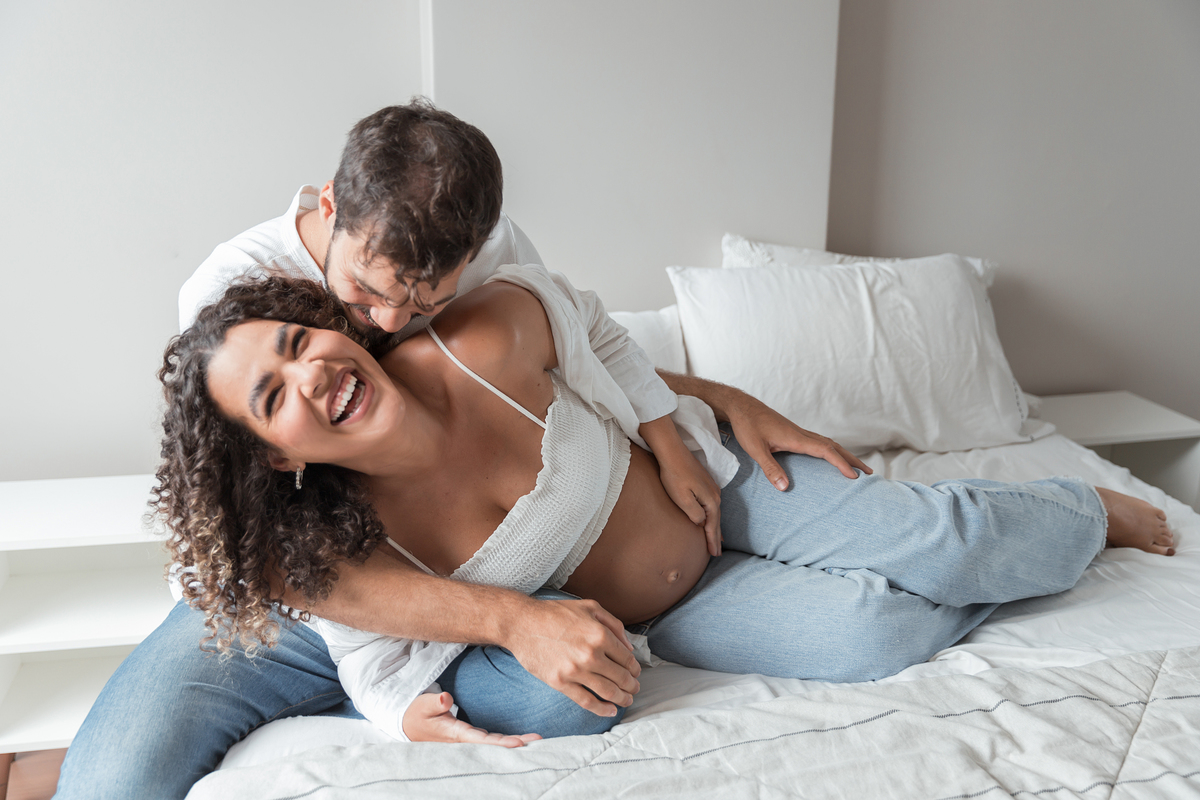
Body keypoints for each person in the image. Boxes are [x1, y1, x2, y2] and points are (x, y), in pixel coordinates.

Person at [55, 101, 868, 798]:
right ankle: (357, 689)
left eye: (421, 305)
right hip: (302, 590)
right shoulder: (229, 286)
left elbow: (572, 354)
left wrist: (712, 402)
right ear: (331, 207)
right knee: (113, 779)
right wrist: (491, 630)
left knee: (567, 694)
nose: (386, 323)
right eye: (363, 293)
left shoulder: (476, 240)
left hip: (462, 560)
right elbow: (265, 546)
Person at [158, 275, 1174, 746]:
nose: (311, 374)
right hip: (675, 609)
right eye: (272, 396)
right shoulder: (343, 546)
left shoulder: (483, 337)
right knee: (879, 635)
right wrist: (393, 718)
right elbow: (368, 654)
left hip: (724, 489)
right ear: (277, 456)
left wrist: (682, 428)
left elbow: (601, 336)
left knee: (944, 542)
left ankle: (1077, 510)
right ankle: (982, 553)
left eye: (297, 342)